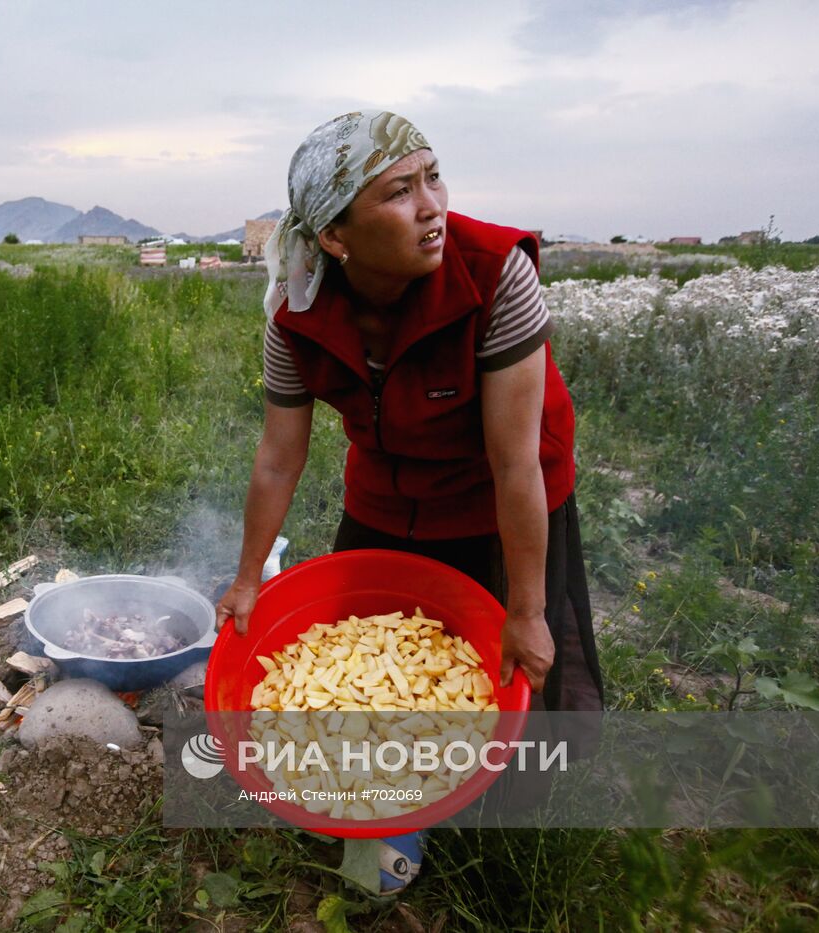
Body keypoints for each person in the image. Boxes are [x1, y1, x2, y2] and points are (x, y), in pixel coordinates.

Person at [213, 110, 605, 896]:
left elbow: (514, 464)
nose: (432, 206)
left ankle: (507, 826)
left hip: (505, 491)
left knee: (517, 663)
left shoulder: (495, 275)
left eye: (433, 178)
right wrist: (249, 577)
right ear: (336, 236)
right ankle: (384, 804)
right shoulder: (294, 310)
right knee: (364, 653)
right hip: (389, 489)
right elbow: (279, 457)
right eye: (399, 192)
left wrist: (526, 606)